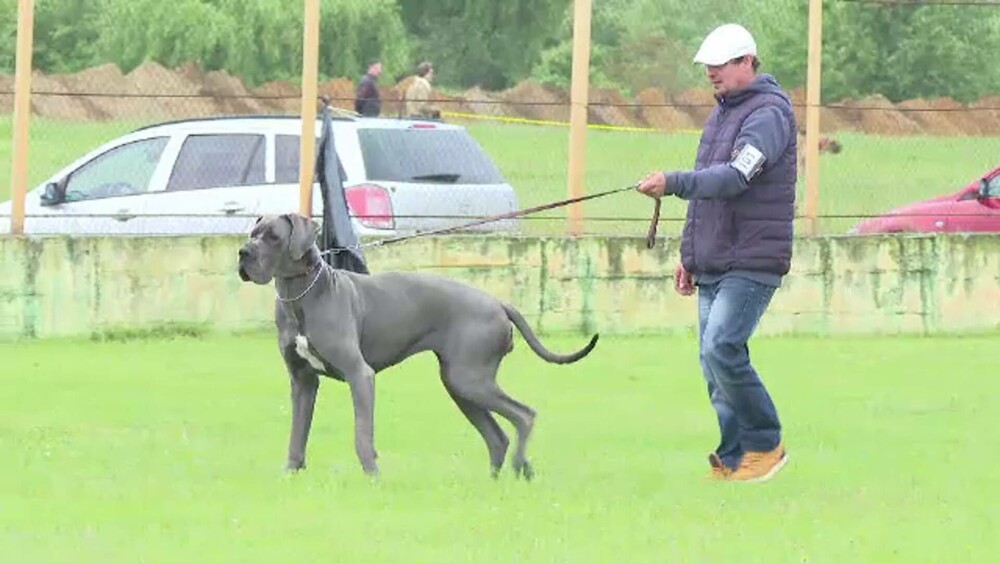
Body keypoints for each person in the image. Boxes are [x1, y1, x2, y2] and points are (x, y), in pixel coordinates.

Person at [636, 23, 796, 483]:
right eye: (709, 64)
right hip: (716, 257)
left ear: (748, 62)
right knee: (713, 360)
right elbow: (711, 195)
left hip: (752, 257)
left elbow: (733, 179)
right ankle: (733, 457)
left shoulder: (768, 115)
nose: (711, 72)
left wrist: (674, 182)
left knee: (722, 346)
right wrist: (690, 253)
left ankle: (766, 444)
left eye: (721, 63)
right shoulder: (723, 115)